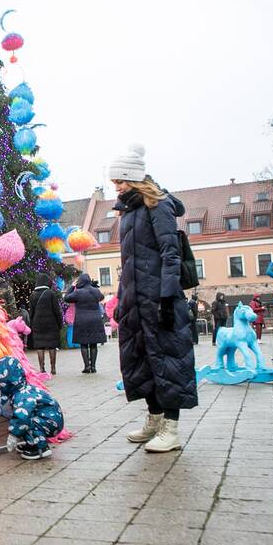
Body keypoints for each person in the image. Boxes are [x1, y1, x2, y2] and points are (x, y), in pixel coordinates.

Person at [108, 145, 197, 453]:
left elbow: (170, 254)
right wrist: (122, 299)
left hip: (159, 298)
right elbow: (129, 261)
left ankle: (171, 429)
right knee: (141, 361)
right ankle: (154, 420)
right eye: (114, 181)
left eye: (120, 180)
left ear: (134, 177)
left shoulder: (156, 206)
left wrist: (168, 296)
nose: (116, 186)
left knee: (168, 361)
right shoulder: (129, 212)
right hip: (135, 298)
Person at [65, 273, 106, 373]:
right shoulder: (95, 291)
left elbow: (66, 298)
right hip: (95, 320)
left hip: (82, 320)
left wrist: (72, 287)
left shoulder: (78, 292)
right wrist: (93, 287)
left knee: (84, 344)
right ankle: (93, 366)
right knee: (93, 344)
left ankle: (87, 367)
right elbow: (101, 297)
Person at [28, 274, 63, 374]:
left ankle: (42, 368)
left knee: (40, 346)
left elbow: (31, 312)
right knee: (52, 346)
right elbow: (57, 310)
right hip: (51, 323)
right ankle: (53, 368)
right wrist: (59, 323)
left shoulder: (33, 295)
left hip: (37, 324)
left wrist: (32, 324)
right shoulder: (51, 293)